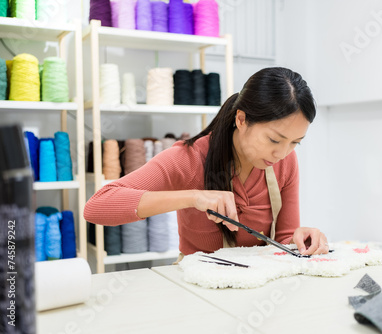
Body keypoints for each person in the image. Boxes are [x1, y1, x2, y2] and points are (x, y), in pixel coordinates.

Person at [84, 67, 329, 260]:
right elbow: (97, 206)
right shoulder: (189, 159)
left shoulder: (286, 162)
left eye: (296, 142)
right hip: (199, 292)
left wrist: (301, 241)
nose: (282, 153)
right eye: (274, 139)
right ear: (241, 119)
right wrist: (192, 197)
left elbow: (283, 239)